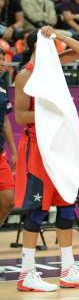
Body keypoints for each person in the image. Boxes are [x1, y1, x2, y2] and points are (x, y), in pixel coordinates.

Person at [14, 27, 79, 291]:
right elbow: (20, 116)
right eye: (50, 44)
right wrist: (52, 117)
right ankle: (26, 274)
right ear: (39, 46)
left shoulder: (55, 64)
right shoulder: (26, 75)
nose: (57, 49)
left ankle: (68, 269)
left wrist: (59, 35)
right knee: (37, 210)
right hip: (38, 146)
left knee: (66, 204)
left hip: (61, 146)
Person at [0, 53, 15, 226]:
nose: (2, 62)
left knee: (9, 201)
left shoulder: (2, 85)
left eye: (3, 59)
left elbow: (4, 119)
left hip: (1, 152)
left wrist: (14, 151)